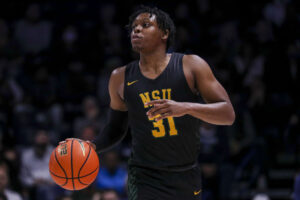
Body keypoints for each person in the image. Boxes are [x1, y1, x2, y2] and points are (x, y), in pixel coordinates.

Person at [65, 5, 235, 200]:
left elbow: (228, 114)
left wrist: (185, 108)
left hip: (185, 173)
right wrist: (93, 146)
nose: (136, 29)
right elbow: (116, 128)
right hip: (144, 176)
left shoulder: (191, 65)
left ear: (164, 33)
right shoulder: (119, 77)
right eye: (134, 27)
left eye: (145, 25)